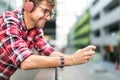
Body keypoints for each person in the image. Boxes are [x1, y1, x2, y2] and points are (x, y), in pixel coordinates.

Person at [0, 0, 96, 80]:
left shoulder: (35, 29)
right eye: (45, 11)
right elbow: (26, 61)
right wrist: (72, 60)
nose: (48, 17)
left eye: (50, 13)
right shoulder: (9, 21)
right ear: (29, 5)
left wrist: (75, 57)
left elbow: (48, 51)